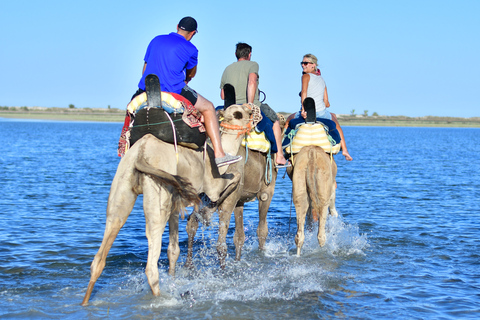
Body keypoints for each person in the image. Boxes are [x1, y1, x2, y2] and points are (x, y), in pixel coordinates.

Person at [133, 17, 241, 168]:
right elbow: (190, 74)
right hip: (173, 88)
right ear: (193, 33)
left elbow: (145, 69)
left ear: (177, 26)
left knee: (131, 109)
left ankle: (126, 148)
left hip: (145, 88)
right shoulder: (191, 49)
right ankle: (219, 154)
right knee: (209, 107)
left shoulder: (155, 39)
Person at [219, 43, 289, 167]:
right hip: (250, 103)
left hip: (229, 107)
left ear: (236, 54)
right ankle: (279, 156)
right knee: (276, 120)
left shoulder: (227, 68)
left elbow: (223, 95)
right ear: (249, 54)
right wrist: (250, 104)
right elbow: (252, 82)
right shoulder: (253, 64)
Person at [285, 54, 353, 161]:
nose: (303, 65)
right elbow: (327, 103)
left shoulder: (305, 76)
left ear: (313, 65)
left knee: (288, 120)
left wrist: (303, 110)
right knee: (336, 122)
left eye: (306, 63)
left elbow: (304, 93)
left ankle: (280, 152)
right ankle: (345, 150)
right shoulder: (322, 79)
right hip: (322, 112)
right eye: (302, 63)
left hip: (308, 112)